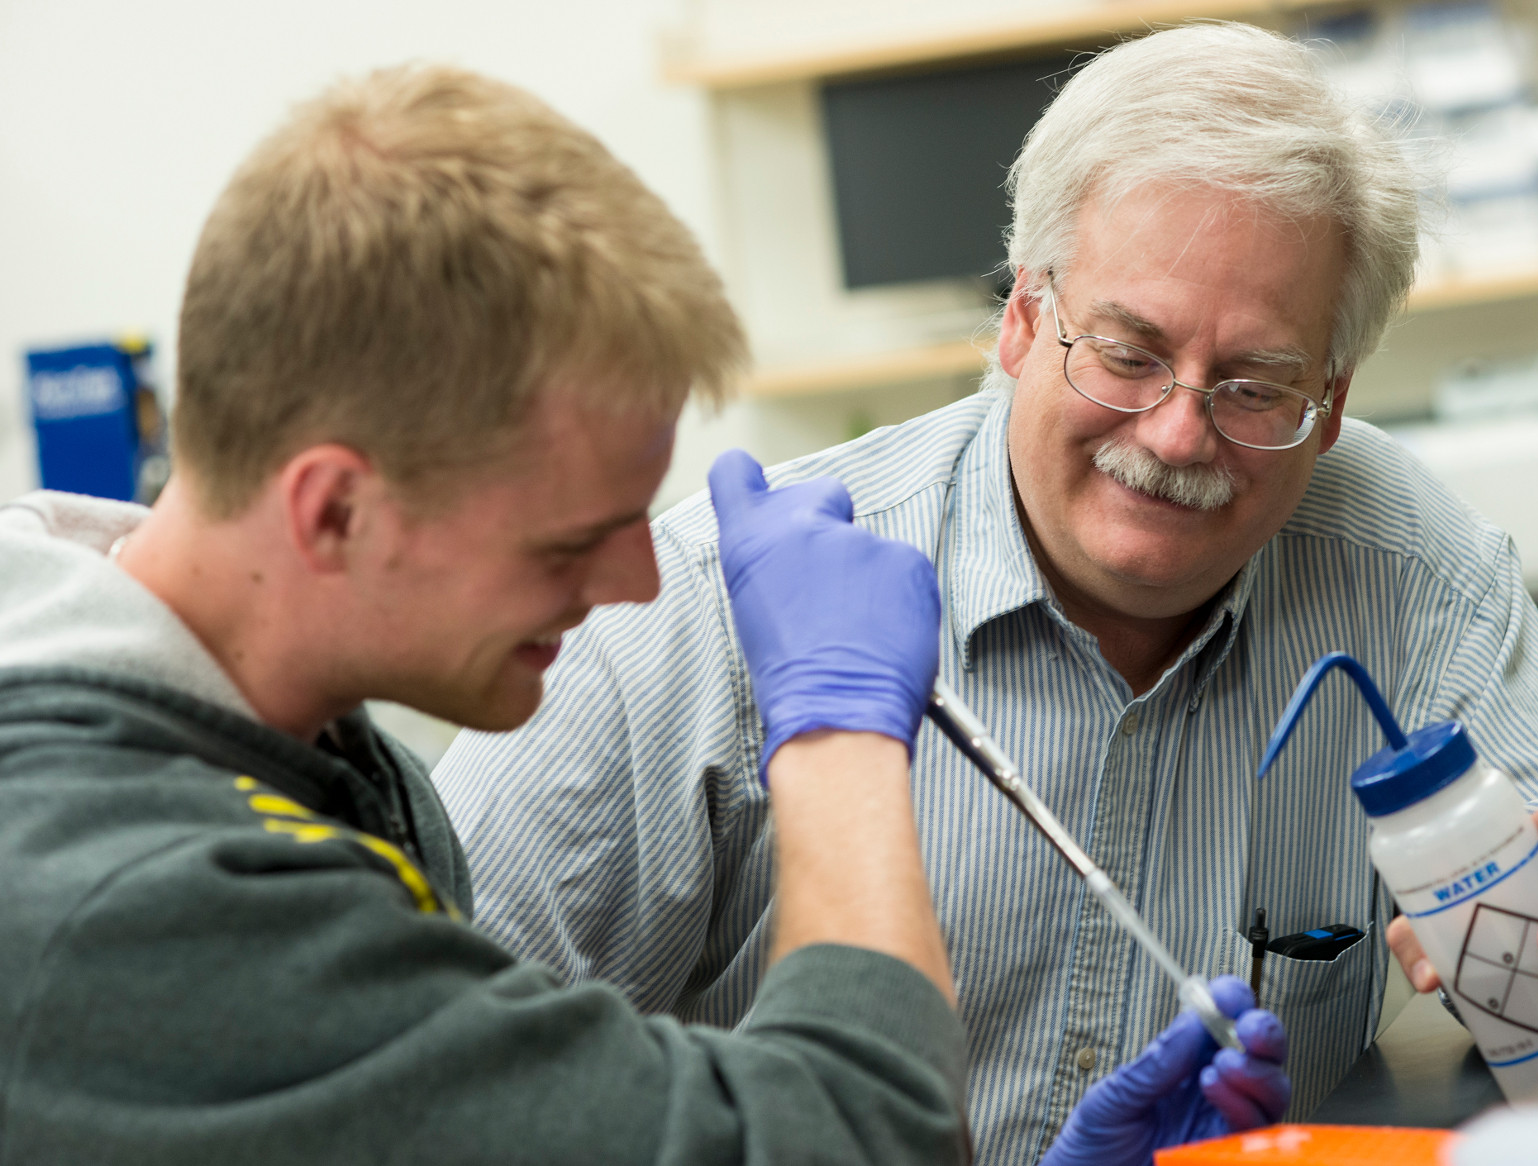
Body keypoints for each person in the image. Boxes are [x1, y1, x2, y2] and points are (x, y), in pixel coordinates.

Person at [434, 23, 1538, 1166]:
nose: (1179, 433)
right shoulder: (711, 603)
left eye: (1254, 385)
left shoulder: (1401, 564)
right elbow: (433, 1069)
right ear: (1023, 316)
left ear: (1333, 401)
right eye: (1129, 353)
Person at [0, 64, 1286, 1165]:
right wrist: (838, 726)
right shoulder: (121, 892)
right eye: (571, 537)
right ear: (334, 509)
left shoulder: (320, 756)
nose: (638, 580)